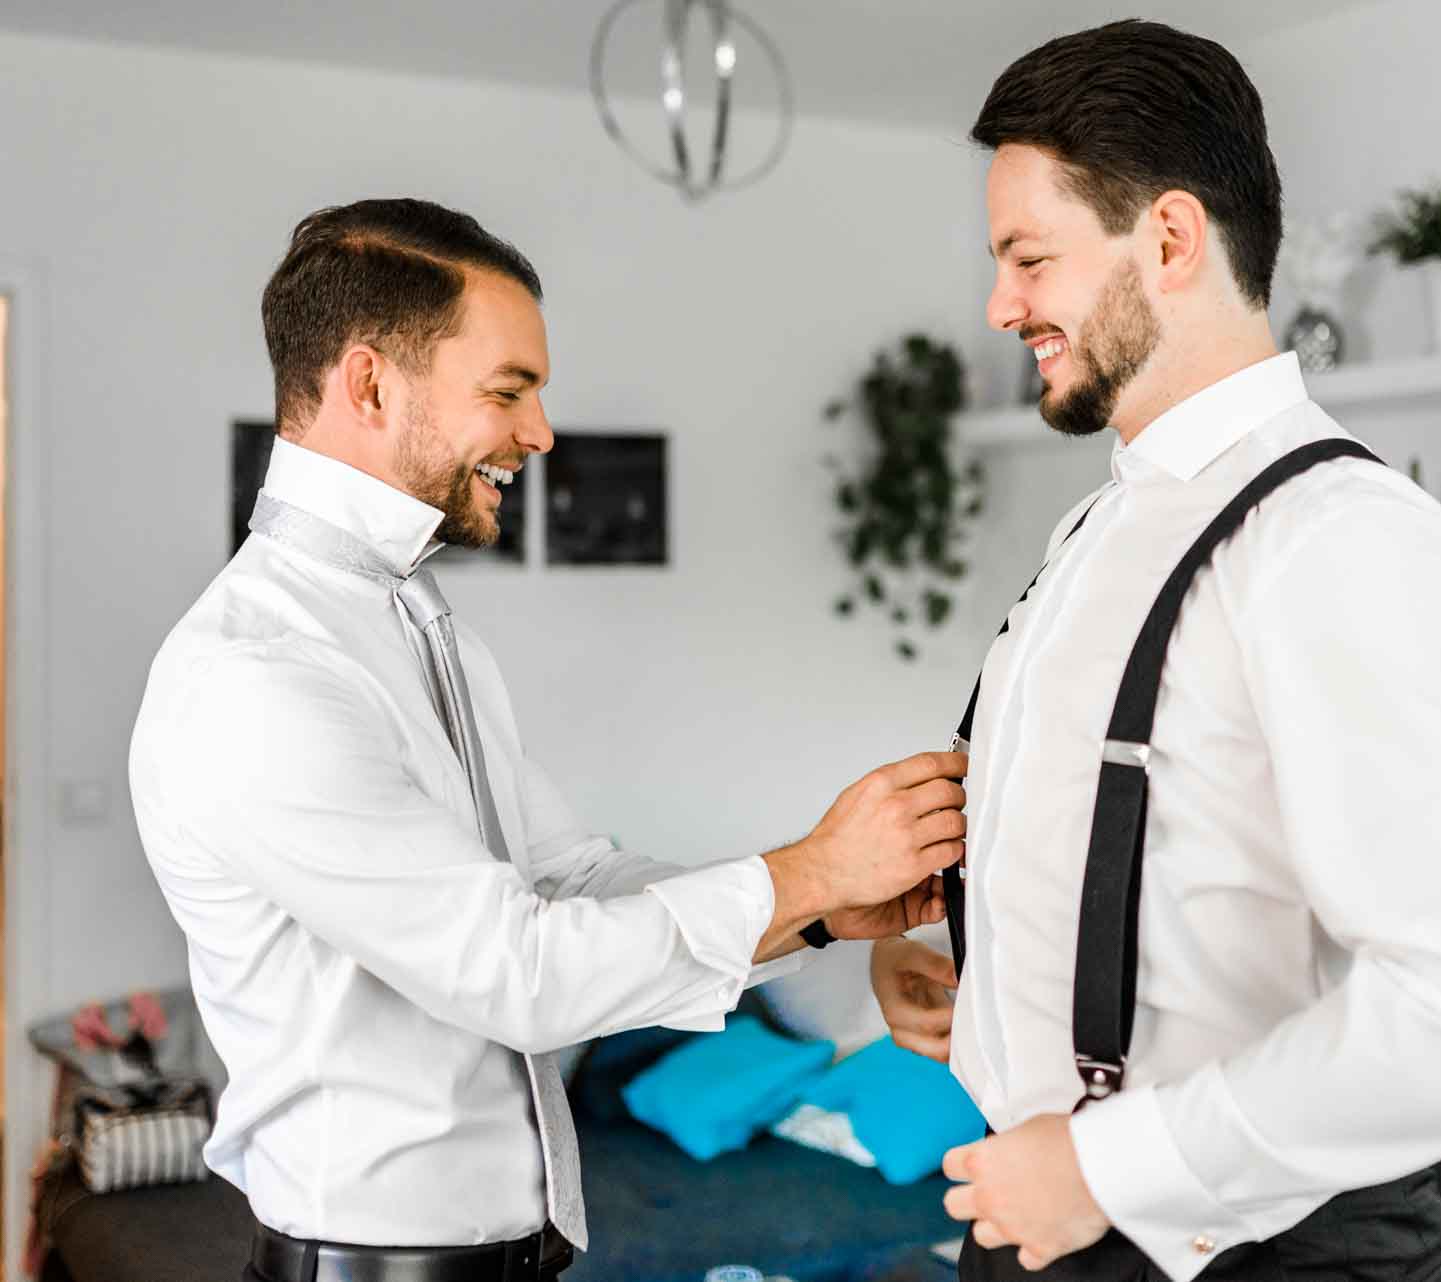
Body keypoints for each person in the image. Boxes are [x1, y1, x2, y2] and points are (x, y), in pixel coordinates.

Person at [129, 198, 967, 1282]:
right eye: (509, 390)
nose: (541, 433)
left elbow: (574, 882)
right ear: (371, 384)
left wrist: (817, 911)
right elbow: (515, 970)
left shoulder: (424, 631)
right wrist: (804, 871)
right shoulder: (258, 675)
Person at [869, 21, 1441, 1282]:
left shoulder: (1334, 540)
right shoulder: (1099, 524)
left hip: (1264, 1251)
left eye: (1030, 258)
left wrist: (1100, 1166)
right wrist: (978, 995)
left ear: (1173, 240)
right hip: (1045, 1224)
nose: (999, 304)